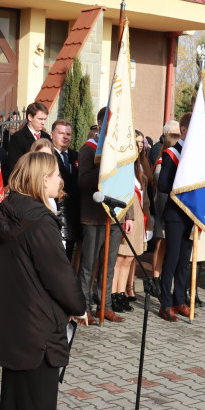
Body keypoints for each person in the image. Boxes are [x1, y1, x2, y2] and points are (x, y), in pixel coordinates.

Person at [0, 151, 87, 410]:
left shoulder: (8, 210)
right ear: (43, 179)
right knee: (41, 390)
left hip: (11, 316)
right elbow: (57, 273)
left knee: (14, 386)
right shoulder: (41, 220)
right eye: (57, 175)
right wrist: (79, 306)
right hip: (39, 318)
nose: (61, 180)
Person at [77, 107, 124, 324]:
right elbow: (83, 181)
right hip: (93, 215)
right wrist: (105, 165)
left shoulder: (119, 150)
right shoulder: (88, 149)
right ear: (99, 123)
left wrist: (128, 213)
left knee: (109, 264)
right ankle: (83, 307)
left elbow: (127, 184)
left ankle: (105, 306)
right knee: (89, 265)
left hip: (114, 215)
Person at [157, 112, 198, 321]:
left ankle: (179, 299)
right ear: (183, 130)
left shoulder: (196, 155)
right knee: (172, 259)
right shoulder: (172, 153)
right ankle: (165, 303)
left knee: (184, 260)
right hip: (174, 213)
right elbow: (162, 184)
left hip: (191, 213)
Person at [111, 138, 153, 312]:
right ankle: (113, 295)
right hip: (127, 215)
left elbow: (145, 199)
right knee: (120, 257)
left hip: (138, 216)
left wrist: (148, 222)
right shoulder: (122, 168)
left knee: (129, 258)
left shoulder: (139, 169)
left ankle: (121, 293)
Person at [151, 123, 181, 279]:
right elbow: (162, 192)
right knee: (161, 245)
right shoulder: (161, 164)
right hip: (164, 212)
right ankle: (156, 277)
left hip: (171, 213)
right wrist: (165, 216)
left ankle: (163, 277)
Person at [50, 118, 80, 259]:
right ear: (52, 135)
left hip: (73, 215)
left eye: (68, 134)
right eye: (61, 133)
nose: (65, 137)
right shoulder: (48, 156)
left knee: (68, 256)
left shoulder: (76, 156)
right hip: (55, 212)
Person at [6, 101, 50, 180]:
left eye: (45, 119)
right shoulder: (17, 138)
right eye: (40, 119)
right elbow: (15, 167)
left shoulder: (47, 137)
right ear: (30, 117)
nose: (43, 123)